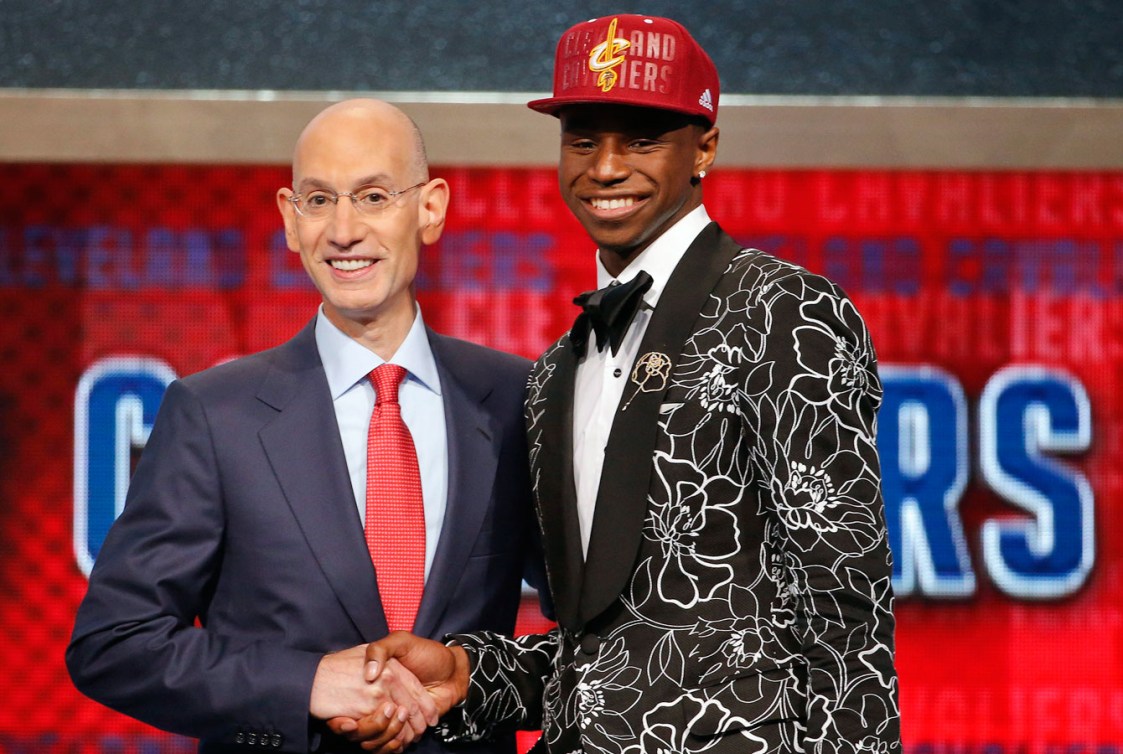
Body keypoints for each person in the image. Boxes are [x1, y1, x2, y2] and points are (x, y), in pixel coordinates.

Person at [343, 14, 901, 754]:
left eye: (639, 139)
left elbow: (845, 599)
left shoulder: (783, 311)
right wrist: (469, 673)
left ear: (703, 146)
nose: (604, 168)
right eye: (582, 139)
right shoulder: (551, 376)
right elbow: (606, 652)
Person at [67, 98, 546, 754]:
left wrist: (477, 681)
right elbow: (114, 642)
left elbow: (606, 628)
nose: (343, 230)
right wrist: (303, 683)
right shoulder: (215, 415)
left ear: (430, 208)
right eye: (319, 202)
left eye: (373, 196)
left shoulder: (516, 398)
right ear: (290, 221)